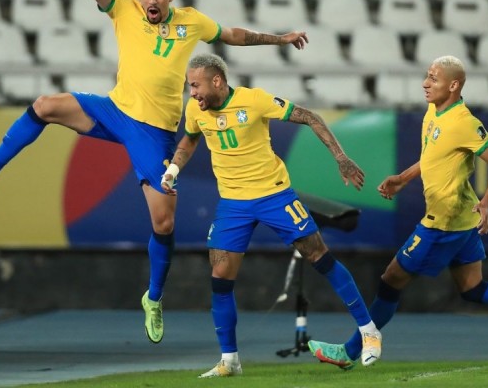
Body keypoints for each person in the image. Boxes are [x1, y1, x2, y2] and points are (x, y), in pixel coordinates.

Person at [0, 0, 310, 345]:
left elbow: (232, 34)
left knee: (163, 222)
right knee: (45, 105)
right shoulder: (124, 9)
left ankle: (153, 297)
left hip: (153, 132)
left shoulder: (190, 21)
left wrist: (279, 39)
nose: (151, 0)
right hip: (114, 110)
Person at [306, 55, 488, 369]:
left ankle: (352, 351)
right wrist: (403, 179)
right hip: (461, 220)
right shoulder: (434, 111)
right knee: (472, 288)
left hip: (442, 224)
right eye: (427, 76)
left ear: (454, 85)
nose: (425, 83)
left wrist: (486, 203)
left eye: (433, 78)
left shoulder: (464, 122)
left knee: (391, 279)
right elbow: (433, 156)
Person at [160, 53, 381, 378]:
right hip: (233, 203)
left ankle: (369, 331)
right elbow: (190, 138)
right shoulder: (195, 109)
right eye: (189, 86)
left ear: (217, 81)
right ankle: (230, 360)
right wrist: (175, 169)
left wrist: (341, 158)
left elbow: (310, 117)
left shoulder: (255, 100)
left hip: (274, 194)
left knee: (319, 255)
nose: (191, 93)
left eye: (195, 85)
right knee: (220, 277)